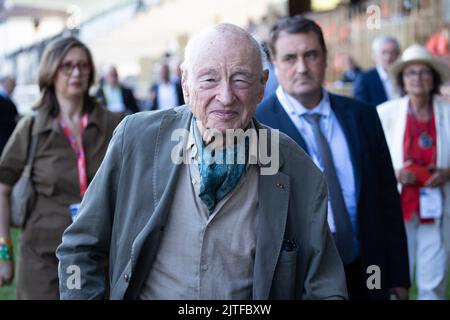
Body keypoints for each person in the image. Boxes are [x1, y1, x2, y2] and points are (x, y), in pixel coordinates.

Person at [56, 23, 347, 300]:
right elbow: (80, 248)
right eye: (209, 79)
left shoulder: (296, 168)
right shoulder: (136, 140)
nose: (225, 96)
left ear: (262, 85)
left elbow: (324, 283)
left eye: (241, 79)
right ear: (185, 83)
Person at [256, 15, 410, 300]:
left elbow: (387, 196)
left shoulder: (363, 115)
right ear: (274, 65)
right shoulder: (257, 127)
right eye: (290, 58)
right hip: (300, 281)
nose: (302, 67)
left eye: (310, 55)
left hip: (368, 269)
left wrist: (398, 277)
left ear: (325, 57)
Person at [0, 37, 123, 299]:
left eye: (83, 65)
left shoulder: (115, 125)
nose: (76, 72)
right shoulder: (32, 129)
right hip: (43, 259)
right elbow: (2, 188)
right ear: (50, 71)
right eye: (67, 66)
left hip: (99, 255)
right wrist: (4, 251)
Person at [377, 44, 450, 300]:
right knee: (397, 277)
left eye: (423, 72)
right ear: (402, 80)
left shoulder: (447, 112)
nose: (417, 78)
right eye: (410, 73)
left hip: (436, 206)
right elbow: (373, 159)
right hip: (399, 207)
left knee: (433, 278)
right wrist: (395, 173)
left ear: (433, 78)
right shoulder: (386, 112)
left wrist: (447, 172)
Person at [353, 35, 400, 106]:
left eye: (392, 52)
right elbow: (361, 108)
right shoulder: (365, 79)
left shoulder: (403, 76)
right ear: (376, 55)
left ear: (398, 55)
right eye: (384, 52)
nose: (388, 57)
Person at [0, 75, 19, 154]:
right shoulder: (1, 99)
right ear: (5, 84)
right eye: (12, 84)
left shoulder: (8, 98)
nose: (13, 87)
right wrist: (14, 120)